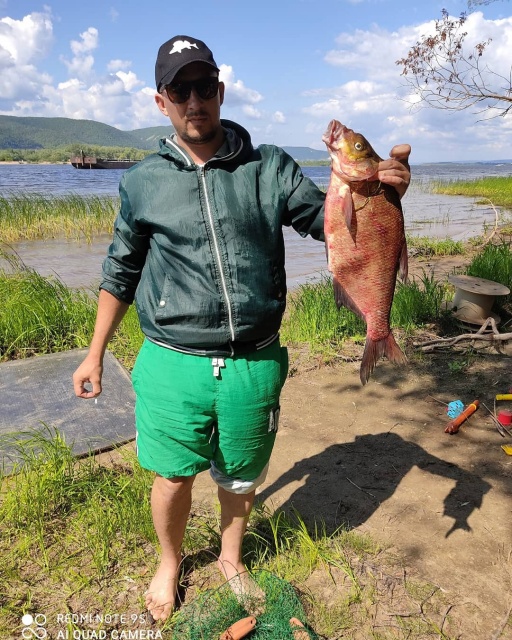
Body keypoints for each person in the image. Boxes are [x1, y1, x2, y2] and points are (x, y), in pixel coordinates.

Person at [72, 34, 411, 621]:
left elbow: (327, 224)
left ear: (221, 91)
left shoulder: (270, 166)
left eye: (204, 86)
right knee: (172, 478)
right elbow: (120, 270)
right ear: (161, 101)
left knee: (241, 477)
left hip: (254, 359)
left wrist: (382, 191)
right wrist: (94, 352)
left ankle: (231, 558)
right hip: (172, 359)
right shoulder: (143, 181)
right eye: (180, 90)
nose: (194, 100)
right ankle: (170, 562)